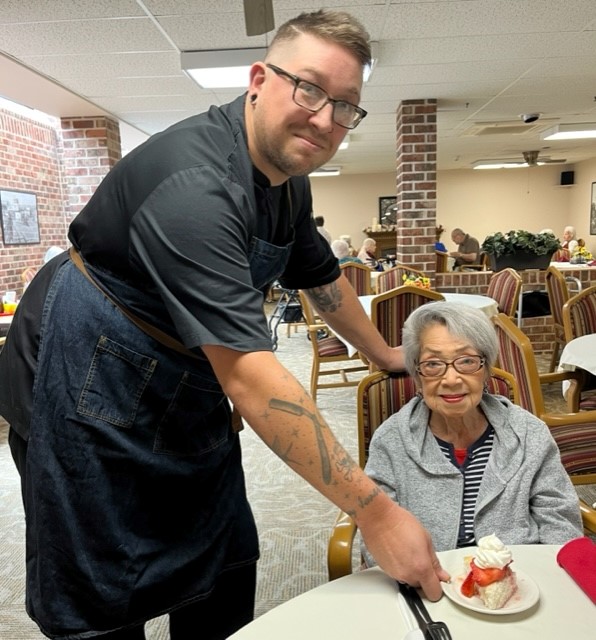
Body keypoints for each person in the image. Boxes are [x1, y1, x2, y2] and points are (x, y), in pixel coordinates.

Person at [0, 10, 448, 640]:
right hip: (83, 380)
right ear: (259, 78)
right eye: (310, 89)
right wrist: (373, 510)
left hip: (182, 385)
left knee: (221, 565)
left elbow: (319, 278)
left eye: (347, 105)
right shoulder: (194, 186)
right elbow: (253, 380)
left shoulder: (289, 181)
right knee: (103, 596)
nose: (325, 118)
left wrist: (385, 356)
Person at [361, 302, 582, 564]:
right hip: (427, 584)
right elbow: (378, 532)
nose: (451, 379)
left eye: (467, 361)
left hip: (521, 581)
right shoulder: (391, 440)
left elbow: (560, 520)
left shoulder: (529, 432)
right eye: (433, 364)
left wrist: (545, 581)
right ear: (417, 375)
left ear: (486, 369)